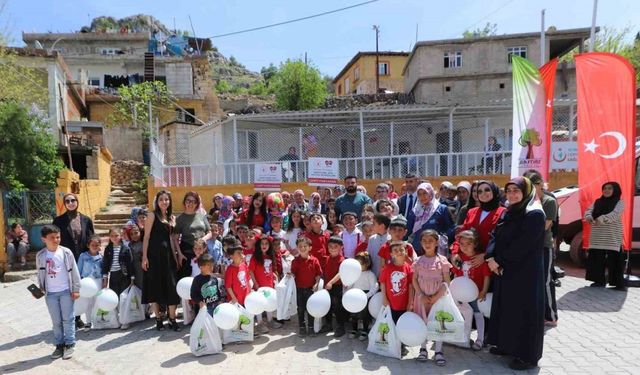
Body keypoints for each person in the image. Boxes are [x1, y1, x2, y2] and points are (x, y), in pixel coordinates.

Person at [486, 177, 545, 370]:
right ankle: (507, 345)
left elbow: (523, 245)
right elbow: (495, 235)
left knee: (523, 311)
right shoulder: (509, 210)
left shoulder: (534, 213)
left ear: (526, 191)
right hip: (505, 269)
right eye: (509, 190)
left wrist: (499, 261)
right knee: (507, 309)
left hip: (524, 272)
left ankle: (527, 356)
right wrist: (490, 257)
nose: (511, 194)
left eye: (516, 190)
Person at [36, 224, 81, 360]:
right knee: (56, 321)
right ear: (44, 239)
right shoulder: (41, 255)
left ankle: (70, 343)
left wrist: (76, 289)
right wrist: (40, 288)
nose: (56, 240)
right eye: (52, 238)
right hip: (50, 294)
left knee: (68, 318)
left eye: (58, 237)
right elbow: (40, 273)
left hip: (66, 291)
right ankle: (59, 344)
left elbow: (74, 272)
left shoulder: (66, 253)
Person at [142, 190, 181, 332]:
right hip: (153, 256)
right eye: (161, 200)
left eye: (166, 199)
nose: (164, 202)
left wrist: (176, 256)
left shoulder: (171, 217)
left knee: (171, 286)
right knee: (154, 286)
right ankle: (158, 319)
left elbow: (171, 238)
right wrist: (144, 257)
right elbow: (146, 237)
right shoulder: (152, 215)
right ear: (157, 202)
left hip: (168, 256)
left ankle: (172, 319)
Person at [524, 170, 560, 325]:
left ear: (540, 184)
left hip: (543, 247)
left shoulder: (549, 201)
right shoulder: (525, 201)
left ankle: (551, 315)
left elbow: (544, 226)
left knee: (546, 281)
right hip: (527, 248)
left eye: (532, 186)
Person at [411, 230, 451, 365]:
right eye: (424, 241)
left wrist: (436, 297)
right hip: (421, 298)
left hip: (438, 298)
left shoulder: (443, 261)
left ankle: (438, 351)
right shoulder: (417, 261)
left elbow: (447, 282)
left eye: (431, 241)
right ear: (421, 243)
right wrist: (421, 295)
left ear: (437, 242)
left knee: (438, 322)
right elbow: (414, 280)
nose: (427, 244)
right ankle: (423, 349)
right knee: (422, 321)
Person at [451, 230, 490, 351]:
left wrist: (483, 291)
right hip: (463, 295)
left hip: (476, 293)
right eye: (462, 244)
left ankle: (480, 339)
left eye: (468, 244)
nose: (464, 247)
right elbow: (456, 276)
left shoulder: (479, 259)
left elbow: (486, 276)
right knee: (464, 314)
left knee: (479, 315)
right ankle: (463, 337)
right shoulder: (459, 259)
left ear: (475, 244)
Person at [584, 181, 626, 291]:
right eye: (605, 188)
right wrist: (588, 216)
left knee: (615, 260)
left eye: (609, 188)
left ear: (615, 190)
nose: (606, 190)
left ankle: (618, 284)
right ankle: (599, 281)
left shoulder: (620, 202)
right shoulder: (597, 201)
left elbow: (615, 215)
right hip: (597, 236)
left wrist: (601, 218)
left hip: (612, 236)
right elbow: (588, 211)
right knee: (597, 258)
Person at [452, 180, 506, 256]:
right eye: (479, 191)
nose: (483, 193)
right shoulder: (471, 212)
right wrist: (455, 252)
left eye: (487, 190)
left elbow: (503, 241)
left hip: (490, 261)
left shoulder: (503, 212)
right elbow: (462, 233)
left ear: (494, 191)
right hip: (468, 257)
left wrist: (485, 256)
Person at [380, 241, 414, 358]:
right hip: (391, 303)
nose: (399, 252)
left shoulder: (408, 268)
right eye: (396, 250)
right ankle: (393, 344)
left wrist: (410, 302)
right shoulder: (388, 268)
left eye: (401, 250)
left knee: (402, 324)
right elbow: (383, 283)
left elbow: (410, 286)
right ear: (391, 254)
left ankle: (402, 345)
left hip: (404, 303)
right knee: (392, 324)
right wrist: (384, 298)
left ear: (405, 252)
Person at [408, 183, 455, 255]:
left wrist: (441, 238)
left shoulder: (441, 209)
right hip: (417, 250)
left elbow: (451, 228)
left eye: (425, 193)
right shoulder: (414, 211)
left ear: (430, 193)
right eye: (419, 194)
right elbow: (408, 230)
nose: (422, 196)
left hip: (436, 249)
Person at [173, 192, 212, 280]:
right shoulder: (180, 218)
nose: (190, 204)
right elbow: (175, 238)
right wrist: (179, 254)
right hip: (187, 252)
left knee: (204, 276)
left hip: (202, 251)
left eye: (194, 202)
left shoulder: (201, 216)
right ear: (184, 202)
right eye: (188, 201)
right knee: (187, 278)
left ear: (197, 204)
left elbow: (210, 232)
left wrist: (203, 239)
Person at [249, 235, 283, 332]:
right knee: (259, 303)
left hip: (269, 284)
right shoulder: (255, 257)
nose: (264, 246)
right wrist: (255, 283)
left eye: (266, 244)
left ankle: (270, 320)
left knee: (269, 301)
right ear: (258, 245)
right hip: (259, 285)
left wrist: (274, 276)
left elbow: (270, 269)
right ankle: (259, 323)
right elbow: (251, 271)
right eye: (262, 244)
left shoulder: (270, 256)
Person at [290, 237, 322, 336]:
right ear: (297, 248)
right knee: (300, 309)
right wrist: (290, 275)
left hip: (310, 289)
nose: (302, 248)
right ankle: (302, 327)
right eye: (300, 246)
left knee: (310, 309)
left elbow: (318, 274)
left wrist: (316, 284)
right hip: (299, 289)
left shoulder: (314, 260)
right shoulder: (295, 261)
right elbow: (293, 274)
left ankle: (311, 327)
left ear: (310, 248)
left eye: (305, 246)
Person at [53, 193, 95, 261]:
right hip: (65, 256)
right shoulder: (58, 221)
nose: (70, 203)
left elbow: (91, 238)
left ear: (77, 202)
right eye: (67, 201)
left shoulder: (86, 220)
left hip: (84, 256)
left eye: (73, 200)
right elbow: (54, 238)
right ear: (64, 204)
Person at [347, 251, 377, 340]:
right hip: (355, 295)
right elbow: (351, 283)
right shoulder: (355, 273)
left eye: (361, 264)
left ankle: (364, 330)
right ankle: (354, 329)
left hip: (365, 296)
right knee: (353, 313)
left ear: (367, 263)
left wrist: (367, 295)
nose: (359, 266)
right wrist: (348, 290)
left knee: (365, 314)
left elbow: (374, 286)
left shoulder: (370, 274)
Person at [77, 234, 104, 330]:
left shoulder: (101, 257)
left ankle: (97, 320)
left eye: (97, 245)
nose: (95, 247)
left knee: (97, 301)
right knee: (88, 302)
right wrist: (78, 282)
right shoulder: (83, 256)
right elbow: (78, 270)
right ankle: (88, 321)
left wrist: (105, 282)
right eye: (93, 245)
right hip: (86, 283)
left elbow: (104, 271)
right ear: (88, 245)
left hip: (98, 281)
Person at [323, 236, 348, 337]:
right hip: (327, 286)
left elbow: (340, 273)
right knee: (327, 306)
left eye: (335, 246)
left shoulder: (342, 259)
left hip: (337, 286)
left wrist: (331, 282)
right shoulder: (327, 258)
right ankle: (328, 324)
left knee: (338, 307)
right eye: (330, 246)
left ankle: (340, 326)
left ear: (341, 247)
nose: (332, 248)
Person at [102, 228, 135, 299]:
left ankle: (123, 310)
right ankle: (116, 310)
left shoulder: (126, 248)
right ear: (109, 237)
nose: (114, 238)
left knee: (123, 296)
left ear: (121, 236)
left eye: (116, 235)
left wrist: (132, 278)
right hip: (113, 275)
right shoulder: (108, 249)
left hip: (124, 275)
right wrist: (105, 279)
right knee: (114, 296)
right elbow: (105, 264)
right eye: (112, 236)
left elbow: (130, 264)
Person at [224, 243, 251, 307]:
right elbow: (228, 286)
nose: (242, 255)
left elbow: (247, 279)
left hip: (246, 297)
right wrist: (234, 298)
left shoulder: (244, 265)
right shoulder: (230, 269)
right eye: (238, 253)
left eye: (242, 252)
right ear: (231, 256)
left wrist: (250, 291)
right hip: (236, 301)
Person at [127, 226, 144, 292]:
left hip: (142, 269)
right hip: (134, 269)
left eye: (136, 233)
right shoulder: (129, 245)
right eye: (131, 234)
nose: (134, 235)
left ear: (140, 233)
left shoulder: (144, 244)